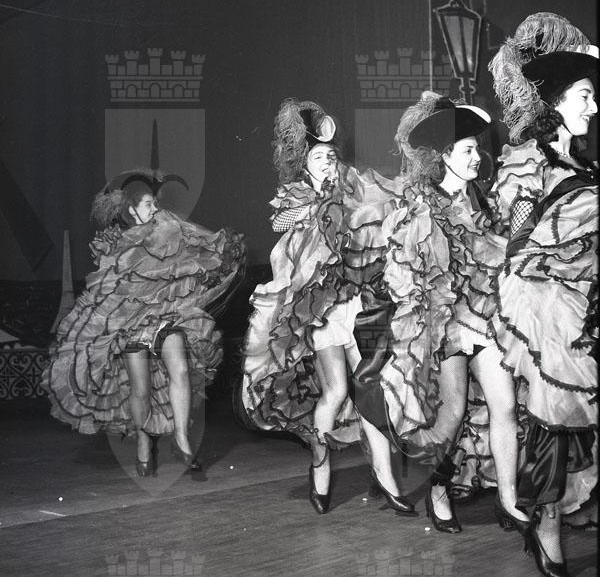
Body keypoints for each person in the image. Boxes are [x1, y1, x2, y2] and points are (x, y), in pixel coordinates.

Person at [345, 92, 528, 534]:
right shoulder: (422, 208)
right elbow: (406, 274)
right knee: (452, 411)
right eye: (467, 151)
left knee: (505, 405)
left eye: (477, 149)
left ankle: (509, 500)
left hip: (484, 319)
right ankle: (439, 490)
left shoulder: (484, 204)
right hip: (444, 327)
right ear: (444, 156)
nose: (477, 158)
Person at [242, 99, 410, 515]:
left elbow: (382, 204)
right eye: (319, 157)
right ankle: (320, 469)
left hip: (358, 302)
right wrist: (318, 203)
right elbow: (280, 223)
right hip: (321, 310)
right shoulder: (297, 197)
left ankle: (386, 478)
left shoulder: (353, 189)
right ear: (305, 165)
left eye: (331, 156)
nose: (328, 162)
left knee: (371, 388)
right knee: (335, 391)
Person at [42, 169, 245, 476]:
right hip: (132, 325)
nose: (155, 208)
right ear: (132, 210)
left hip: (168, 317)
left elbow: (197, 244)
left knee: (180, 369)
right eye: (148, 204)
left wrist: (224, 250)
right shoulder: (120, 245)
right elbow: (108, 292)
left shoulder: (168, 228)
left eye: (154, 202)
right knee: (140, 389)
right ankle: (142, 438)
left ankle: (181, 438)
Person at [489, 12, 598, 576]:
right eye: (585, 95)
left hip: (582, 306)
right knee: (554, 423)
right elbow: (518, 243)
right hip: (545, 312)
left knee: (574, 424)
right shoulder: (527, 163)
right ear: (555, 102)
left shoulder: (582, 160)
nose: (594, 107)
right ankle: (546, 534)